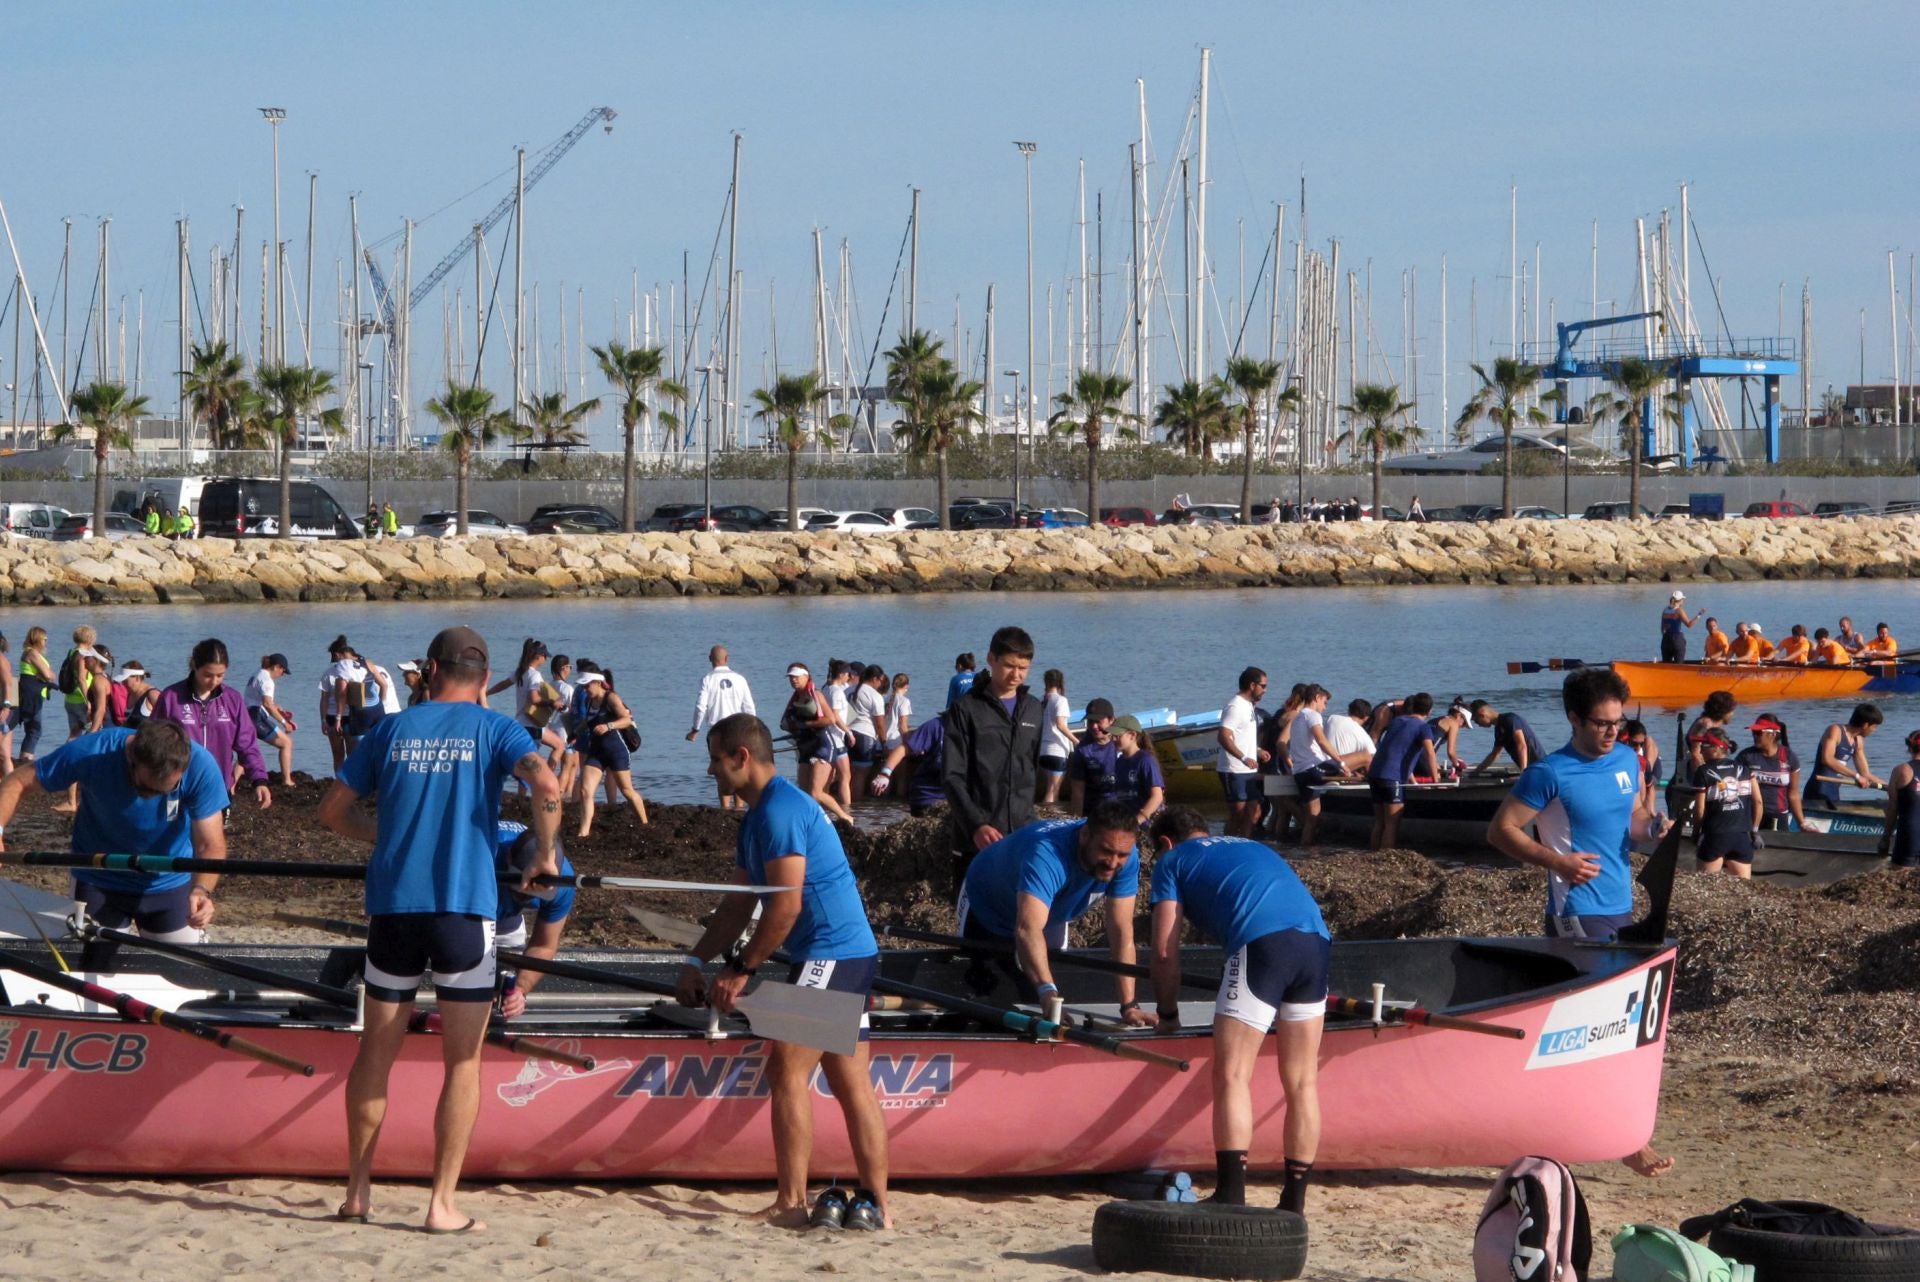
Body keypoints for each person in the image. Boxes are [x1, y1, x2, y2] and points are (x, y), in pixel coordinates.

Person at [318, 624, 560, 1235]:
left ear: (429, 670)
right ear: (485, 678)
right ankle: (441, 1205)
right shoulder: (496, 729)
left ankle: (357, 1192)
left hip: (394, 911)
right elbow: (546, 782)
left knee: (375, 1054)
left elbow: (332, 811)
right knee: (462, 1062)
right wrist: (543, 854)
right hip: (462, 913)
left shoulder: (390, 728)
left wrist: (389, 836)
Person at [680, 713, 892, 1231]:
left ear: (742, 757)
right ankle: (880, 1209)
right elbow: (737, 907)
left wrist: (741, 970)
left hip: (832, 953)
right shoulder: (756, 819)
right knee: (849, 1081)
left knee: (786, 1070)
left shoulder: (780, 812)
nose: (710, 770)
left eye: (715, 759)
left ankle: (791, 1203)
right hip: (846, 954)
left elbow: (786, 909)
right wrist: (695, 961)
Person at [1146, 807, 1328, 1215]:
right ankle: (1293, 1204)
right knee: (1302, 1081)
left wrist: (1168, 1014)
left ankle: (1231, 1194)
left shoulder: (1171, 861)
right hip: (1316, 944)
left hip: (1262, 945)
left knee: (1232, 1074)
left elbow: (1164, 952)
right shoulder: (1251, 844)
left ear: (1165, 843)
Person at [0, 718, 228, 949]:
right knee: (92, 961)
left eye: (166, 789)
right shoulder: (93, 751)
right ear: (130, 756)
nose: (155, 794)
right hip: (99, 878)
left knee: (181, 964)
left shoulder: (201, 766)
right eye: (147, 787)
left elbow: (209, 845)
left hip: (168, 881)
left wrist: (201, 890)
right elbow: (18, 781)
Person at [1488, 667, 1670, 942]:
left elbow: (1634, 814)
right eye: (1602, 723)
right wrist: (1557, 862)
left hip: (1621, 903)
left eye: (1618, 722)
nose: (1612, 732)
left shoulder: (1626, 759)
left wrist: (1654, 828)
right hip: (1575, 909)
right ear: (1575, 718)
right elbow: (1500, 830)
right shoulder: (1549, 772)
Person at [956, 802, 1152, 1017]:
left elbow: (1121, 931)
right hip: (986, 901)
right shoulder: (1047, 855)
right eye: (1105, 851)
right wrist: (1047, 993)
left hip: (1049, 910)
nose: (1113, 863)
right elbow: (1027, 930)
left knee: (1043, 994)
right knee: (983, 992)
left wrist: (1129, 1006)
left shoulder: (1127, 856)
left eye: (1121, 855)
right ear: (1085, 835)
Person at [942, 626, 1043, 893]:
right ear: (991, 659)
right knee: (974, 915)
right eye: (1009, 666)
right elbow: (952, 776)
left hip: (1022, 835)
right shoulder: (965, 709)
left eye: (1023, 668)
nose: (1016, 674)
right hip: (976, 840)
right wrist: (976, 825)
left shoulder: (1034, 708)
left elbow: (1031, 769)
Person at [151, 639, 273, 811]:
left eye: (220, 675)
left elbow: (247, 745)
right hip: (176, 790)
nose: (214, 681)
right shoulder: (171, 697)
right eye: (208, 675)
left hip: (217, 789)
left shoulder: (233, 699)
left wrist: (259, 780)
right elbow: (152, 743)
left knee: (215, 830)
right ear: (194, 665)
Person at [490, 821, 576, 1017]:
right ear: (508, 857)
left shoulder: (563, 882)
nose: (527, 896)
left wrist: (520, 990)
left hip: (506, 916)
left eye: (535, 893)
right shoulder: (483, 859)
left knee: (504, 988)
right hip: (461, 903)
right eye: (523, 889)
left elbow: (544, 945)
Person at [571, 671, 650, 836]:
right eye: (583, 686)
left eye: (587, 685)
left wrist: (608, 726)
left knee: (627, 790)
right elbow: (588, 721)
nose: (585, 689)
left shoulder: (611, 698)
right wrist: (575, 732)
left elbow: (627, 719)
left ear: (598, 682)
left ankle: (644, 824)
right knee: (585, 791)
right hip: (596, 751)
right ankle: (583, 833)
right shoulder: (589, 700)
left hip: (616, 751)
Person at [779, 662, 853, 824]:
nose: (793, 680)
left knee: (816, 792)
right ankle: (816, 822)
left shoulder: (816, 695)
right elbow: (783, 723)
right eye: (791, 677)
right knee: (804, 793)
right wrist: (791, 725)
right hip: (805, 746)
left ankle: (846, 817)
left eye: (797, 677)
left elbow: (830, 719)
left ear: (806, 676)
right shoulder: (795, 699)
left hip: (822, 746)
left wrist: (806, 724)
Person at [1367, 693, 1440, 850]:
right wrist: (1436, 780)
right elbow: (1430, 753)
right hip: (1391, 777)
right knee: (1392, 823)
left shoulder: (1397, 721)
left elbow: (1398, 750)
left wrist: (1412, 780)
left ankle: (1373, 855)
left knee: (1380, 822)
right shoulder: (1424, 727)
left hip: (1374, 773)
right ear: (1430, 711)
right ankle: (1386, 858)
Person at [687, 645, 757, 809]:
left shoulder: (707, 679)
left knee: (720, 769)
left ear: (710, 659)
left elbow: (700, 707)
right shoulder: (740, 679)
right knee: (739, 767)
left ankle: (725, 808)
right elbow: (749, 708)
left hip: (717, 732)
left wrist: (695, 729)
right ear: (727, 658)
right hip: (738, 730)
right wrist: (752, 730)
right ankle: (739, 807)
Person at [1690, 730, 1760, 879]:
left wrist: (1696, 833)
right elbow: (1758, 802)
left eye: (1704, 745)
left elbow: (1699, 810)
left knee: (1706, 887)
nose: (1700, 750)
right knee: (1743, 889)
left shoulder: (1703, 772)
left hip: (1714, 837)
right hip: (1742, 837)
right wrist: (1754, 831)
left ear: (1717, 748)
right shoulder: (1745, 769)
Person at [489, 638, 568, 766]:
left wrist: (486, 693)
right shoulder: (534, 675)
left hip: (521, 722)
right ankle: (547, 776)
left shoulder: (521, 672)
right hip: (532, 723)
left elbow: (503, 684)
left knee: (554, 748)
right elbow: (534, 698)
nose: (545, 659)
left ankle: (544, 776)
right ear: (538, 656)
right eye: (545, 656)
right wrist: (552, 703)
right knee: (548, 753)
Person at [1216, 667, 1269, 838]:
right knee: (1238, 814)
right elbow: (1223, 736)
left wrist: (1258, 750)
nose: (1265, 690)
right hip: (1233, 769)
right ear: (1252, 685)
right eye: (1263, 686)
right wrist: (1243, 757)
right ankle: (1228, 844)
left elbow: (1242, 735)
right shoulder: (1235, 706)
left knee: (1254, 812)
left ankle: (1243, 842)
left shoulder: (1248, 706)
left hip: (1248, 769)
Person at [1805, 704, 1885, 808]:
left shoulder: (1858, 741)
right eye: (1874, 727)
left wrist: (1890, 787)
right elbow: (1827, 759)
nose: (1874, 730)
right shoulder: (1835, 731)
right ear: (1865, 725)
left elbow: (1865, 774)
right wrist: (1856, 776)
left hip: (1834, 790)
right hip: (1818, 788)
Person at [1736, 714, 1804, 830]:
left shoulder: (1789, 757)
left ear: (1772, 734)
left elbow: (1793, 794)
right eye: (1753, 732)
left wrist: (1802, 823)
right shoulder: (1745, 757)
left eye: (1758, 733)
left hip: (1778, 816)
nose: (1754, 736)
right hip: (1751, 814)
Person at [872, 714, 946, 817]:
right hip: (928, 796)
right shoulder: (936, 726)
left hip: (955, 798)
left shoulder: (969, 731)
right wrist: (885, 774)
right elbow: (904, 748)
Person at [320, 635, 367, 773]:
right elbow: (324, 698)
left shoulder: (357, 670)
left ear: (337, 655)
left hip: (349, 717)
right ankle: (340, 782)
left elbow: (324, 699)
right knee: (339, 755)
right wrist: (323, 721)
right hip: (334, 717)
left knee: (350, 755)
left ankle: (349, 782)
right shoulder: (329, 673)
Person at [1065, 698, 1119, 816]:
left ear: (1111, 720)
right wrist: (1077, 820)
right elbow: (1077, 792)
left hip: (1122, 809)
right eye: (1090, 721)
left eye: (1098, 721)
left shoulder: (1122, 742)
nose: (1094, 726)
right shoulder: (1082, 750)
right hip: (1095, 812)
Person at [1109, 714, 1166, 826]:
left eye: (1118, 736)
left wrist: (1138, 820)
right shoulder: (1119, 762)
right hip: (1128, 823)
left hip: (1149, 825)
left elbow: (1157, 796)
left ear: (1132, 735)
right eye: (1112, 736)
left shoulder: (1145, 760)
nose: (1113, 739)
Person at [1878, 730, 1920, 869]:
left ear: (1909, 747)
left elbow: (1892, 808)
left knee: (1900, 879)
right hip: (1911, 834)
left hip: (1910, 835)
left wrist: (1885, 839)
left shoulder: (1902, 770)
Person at [1037, 669, 1077, 805]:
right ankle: (1050, 816)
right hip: (1057, 751)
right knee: (1053, 791)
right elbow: (1060, 725)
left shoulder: (1040, 700)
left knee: (1050, 789)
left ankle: (1049, 814)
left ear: (1045, 682)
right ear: (1060, 682)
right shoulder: (1060, 700)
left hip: (1042, 751)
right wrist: (1076, 740)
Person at [849, 665, 890, 797]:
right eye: (881, 680)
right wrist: (884, 743)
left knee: (848, 774)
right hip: (865, 736)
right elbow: (880, 724)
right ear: (874, 679)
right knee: (860, 775)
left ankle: (844, 803)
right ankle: (856, 805)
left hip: (847, 733)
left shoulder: (849, 690)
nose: (881, 684)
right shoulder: (875, 695)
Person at [1469, 699, 1542, 773]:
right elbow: (1495, 754)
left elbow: (1522, 746)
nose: (1478, 725)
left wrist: (1523, 773)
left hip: (1540, 767)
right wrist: (1476, 771)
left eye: (1476, 721)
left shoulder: (1510, 719)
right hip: (1529, 769)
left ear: (1482, 714)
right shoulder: (1498, 729)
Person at [14, 627, 54, 763]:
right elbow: (48, 675)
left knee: (32, 729)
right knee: (34, 729)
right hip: (31, 695)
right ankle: (26, 760)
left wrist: (46, 674)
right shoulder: (32, 653)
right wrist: (46, 675)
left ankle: (24, 758)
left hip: (34, 694)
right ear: (37, 639)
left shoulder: (33, 653)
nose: (46, 642)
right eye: (44, 639)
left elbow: (50, 675)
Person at [1322, 698, 1375, 777]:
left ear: (1349, 711)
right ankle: (1370, 781)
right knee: (1368, 756)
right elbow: (1373, 757)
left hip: (1322, 763)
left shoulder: (1332, 718)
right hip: (1336, 766)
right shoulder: (1362, 734)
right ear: (1366, 718)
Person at [1659, 591, 1701, 662]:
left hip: (1666, 639)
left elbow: (1662, 629)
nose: (1683, 601)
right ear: (1680, 600)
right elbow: (1689, 625)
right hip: (1677, 639)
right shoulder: (1679, 610)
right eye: (1683, 599)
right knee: (1679, 664)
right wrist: (1699, 615)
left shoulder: (1665, 610)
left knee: (1666, 665)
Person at [114, 662, 159, 729]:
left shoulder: (153, 694)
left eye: (125, 680)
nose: (123, 683)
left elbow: (167, 720)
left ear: (137, 678)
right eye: (122, 681)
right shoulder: (128, 694)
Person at [883, 672, 912, 752]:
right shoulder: (904, 701)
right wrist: (908, 743)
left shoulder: (884, 699)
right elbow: (903, 726)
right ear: (907, 686)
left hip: (881, 741)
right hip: (894, 742)